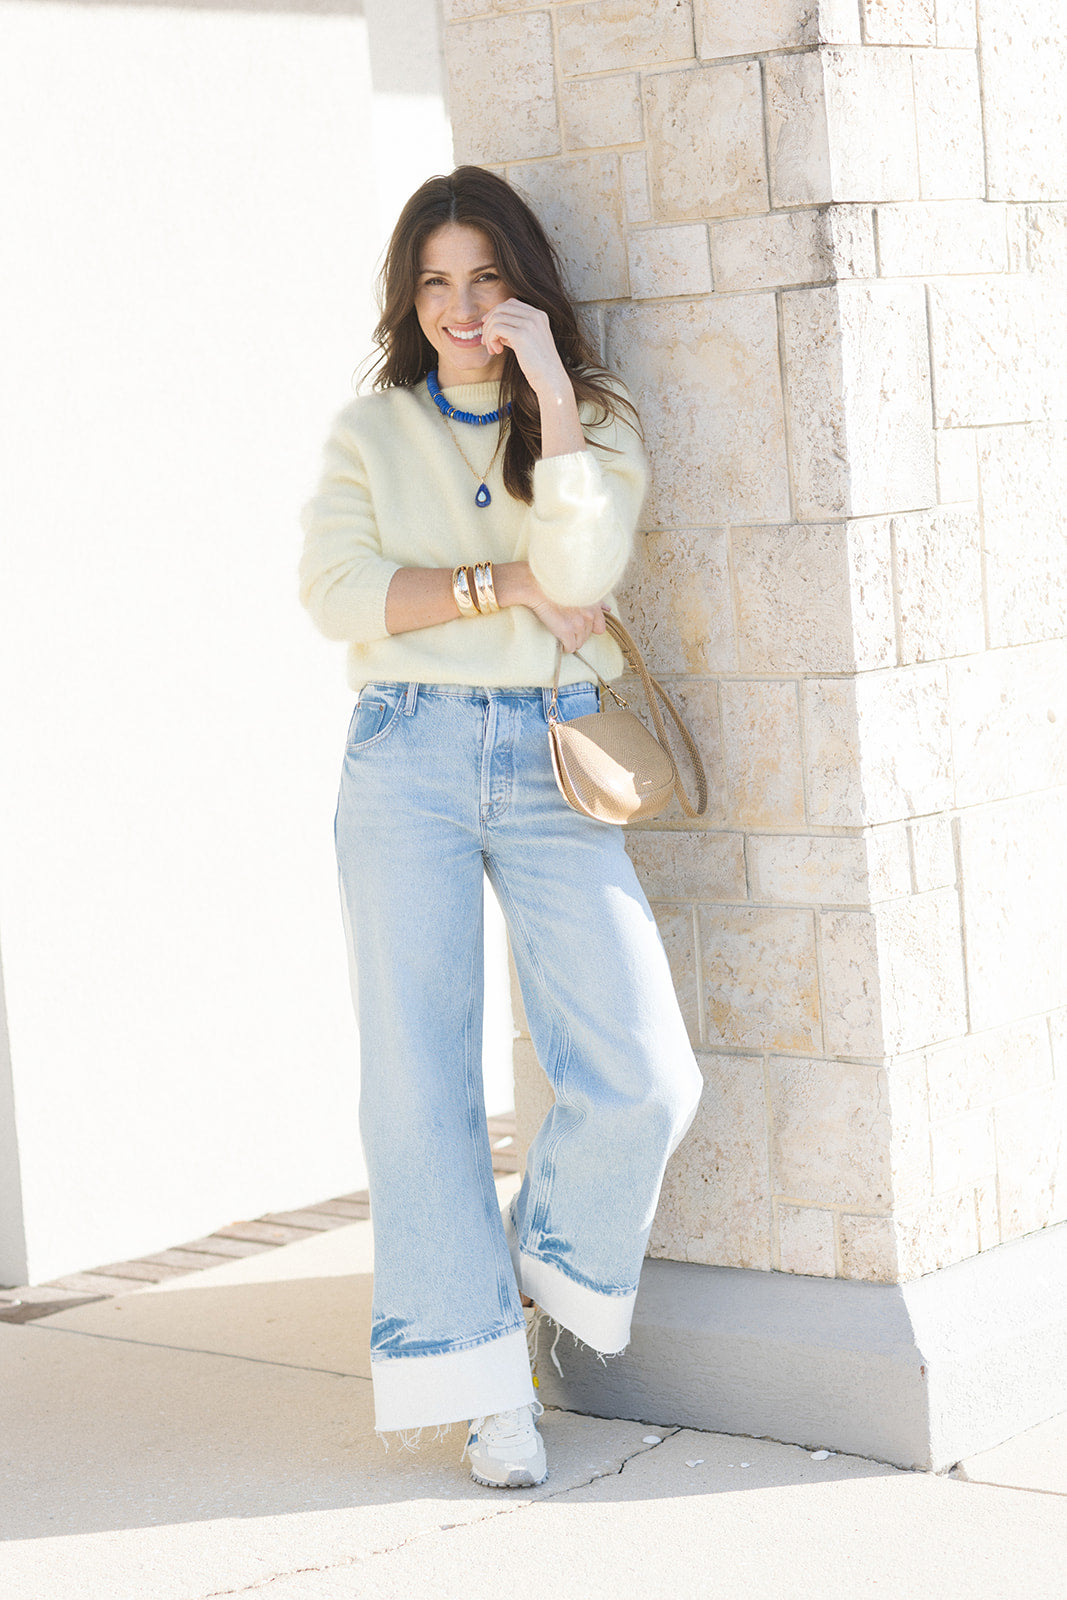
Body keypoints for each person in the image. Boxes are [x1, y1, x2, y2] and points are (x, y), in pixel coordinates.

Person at [299, 166, 702, 1489]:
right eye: (437, 283)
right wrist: (506, 581)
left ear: (522, 287)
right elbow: (339, 593)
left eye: (486, 280)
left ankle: (520, 1289)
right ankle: (482, 1385)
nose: (462, 306)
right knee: (418, 1081)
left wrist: (549, 404)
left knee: (645, 1070)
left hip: (551, 753)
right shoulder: (371, 432)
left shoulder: (588, 421)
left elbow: (586, 575)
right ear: (409, 301)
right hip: (403, 751)